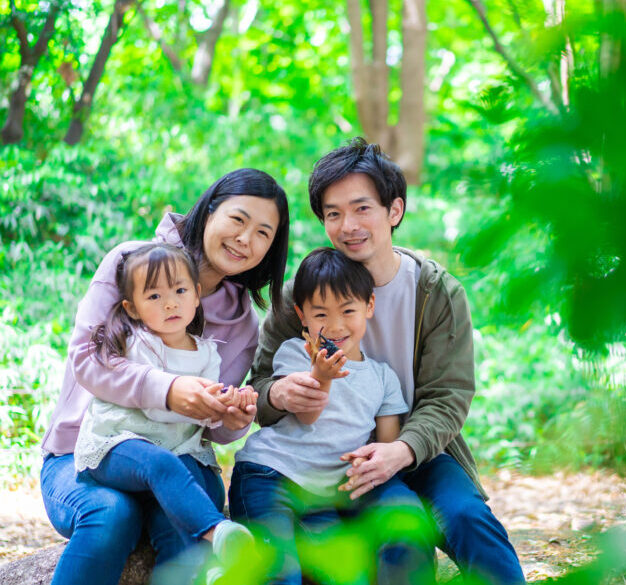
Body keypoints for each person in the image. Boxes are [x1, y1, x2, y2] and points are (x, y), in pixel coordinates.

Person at [250, 139, 526, 585]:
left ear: (394, 211)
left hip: (417, 447)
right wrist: (278, 394)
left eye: (362, 209)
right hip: (328, 454)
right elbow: (261, 385)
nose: (348, 225)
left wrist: (401, 450)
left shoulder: (436, 292)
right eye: (333, 213)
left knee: (468, 518)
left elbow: (447, 395)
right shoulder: (300, 297)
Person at [40, 168, 289, 585]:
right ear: (209, 211)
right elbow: (87, 358)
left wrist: (232, 417)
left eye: (264, 233)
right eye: (238, 220)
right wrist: (168, 390)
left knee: (181, 520)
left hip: (181, 460)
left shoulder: (243, 324)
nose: (246, 239)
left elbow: (213, 430)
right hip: (87, 455)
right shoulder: (130, 263)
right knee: (112, 514)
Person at [230, 246, 435, 585]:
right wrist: (321, 376)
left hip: (321, 495)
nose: (336, 326)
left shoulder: (383, 378)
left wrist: (374, 462)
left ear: (369, 306)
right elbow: (308, 416)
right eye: (321, 314)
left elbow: (385, 444)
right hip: (269, 477)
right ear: (302, 315)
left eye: (348, 310)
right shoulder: (296, 352)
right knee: (281, 573)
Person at [73, 243, 256, 582]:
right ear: (133, 307)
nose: (170, 302)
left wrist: (228, 409)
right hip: (117, 448)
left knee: (199, 491)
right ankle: (217, 534)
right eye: (154, 296)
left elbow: (203, 418)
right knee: (161, 463)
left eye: (180, 290)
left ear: (197, 295)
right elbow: (157, 410)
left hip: (176, 452)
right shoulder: (134, 342)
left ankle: (197, 571)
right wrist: (186, 397)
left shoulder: (207, 354)